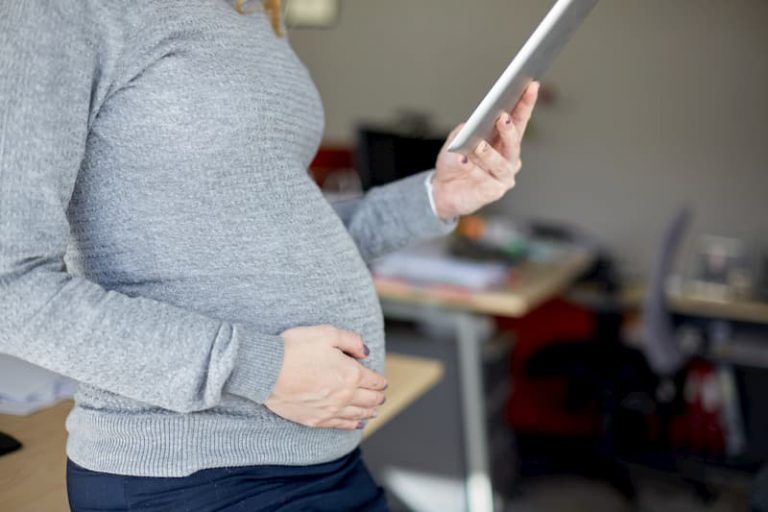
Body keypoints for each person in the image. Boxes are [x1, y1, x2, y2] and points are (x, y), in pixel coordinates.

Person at [0, 0, 539, 510]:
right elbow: (11, 288)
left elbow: (279, 236)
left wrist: (435, 198)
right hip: (192, 477)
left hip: (327, 459)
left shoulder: (253, 11)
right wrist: (262, 370)